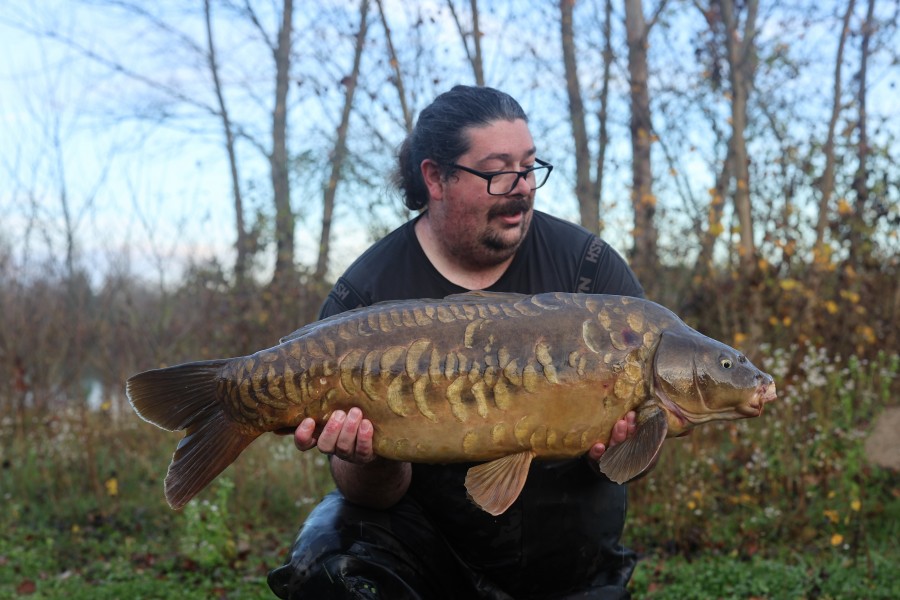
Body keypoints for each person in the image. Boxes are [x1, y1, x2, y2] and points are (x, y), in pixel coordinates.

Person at [268, 85, 646, 600]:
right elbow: (369, 495)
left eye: (529, 167)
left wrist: (617, 447)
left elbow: (624, 461)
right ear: (435, 178)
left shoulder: (591, 273)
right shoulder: (364, 296)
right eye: (497, 172)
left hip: (568, 549)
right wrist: (371, 456)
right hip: (428, 549)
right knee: (326, 566)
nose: (522, 187)